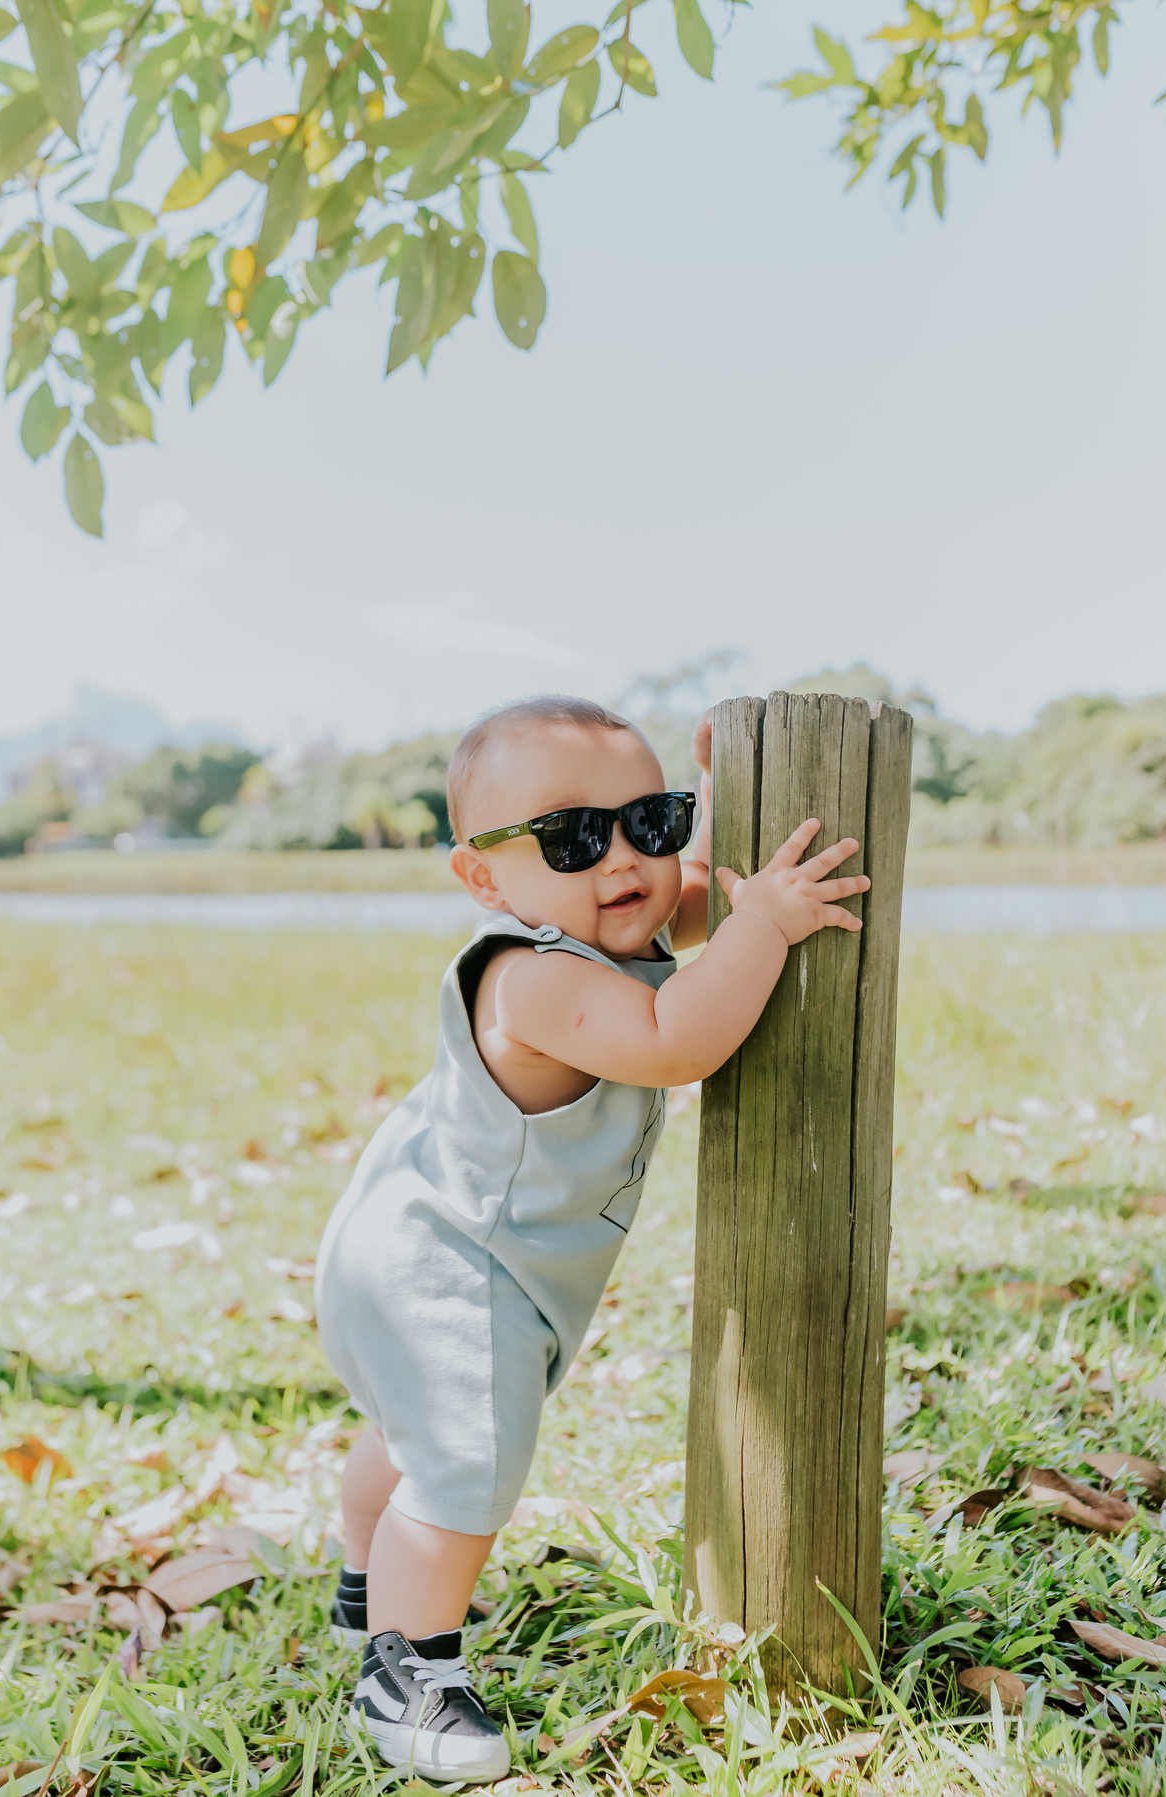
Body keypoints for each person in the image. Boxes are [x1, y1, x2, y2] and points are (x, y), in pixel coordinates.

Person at [313, 695, 868, 1782]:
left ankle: (360, 1582)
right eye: (574, 838)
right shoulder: (533, 976)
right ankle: (407, 1669)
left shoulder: (612, 917)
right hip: (446, 1263)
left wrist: (720, 791)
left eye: (646, 822)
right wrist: (769, 924)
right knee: (465, 1458)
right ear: (483, 877)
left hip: (412, 1244)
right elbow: (676, 1036)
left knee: (416, 1435)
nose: (622, 860)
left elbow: (695, 893)